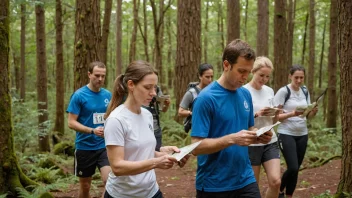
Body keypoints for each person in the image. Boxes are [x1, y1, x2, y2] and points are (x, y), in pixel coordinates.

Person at [190, 39, 273, 198]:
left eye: (248, 72)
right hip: (214, 184)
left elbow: (248, 128)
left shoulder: (245, 94)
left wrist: (257, 135)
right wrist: (232, 139)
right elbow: (196, 147)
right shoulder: (206, 98)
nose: (245, 77)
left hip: (245, 178)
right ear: (226, 65)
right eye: (241, 71)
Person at [103, 60, 189, 198]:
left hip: (151, 191)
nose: (153, 93)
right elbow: (117, 167)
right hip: (123, 194)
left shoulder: (147, 115)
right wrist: (156, 162)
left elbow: (141, 152)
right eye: (148, 87)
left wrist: (169, 155)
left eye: (155, 87)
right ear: (131, 85)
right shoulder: (116, 120)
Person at [67, 61, 111, 198]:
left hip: (104, 146)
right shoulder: (79, 95)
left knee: (109, 181)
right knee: (85, 186)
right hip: (84, 147)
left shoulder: (108, 95)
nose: (100, 79)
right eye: (97, 75)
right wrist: (92, 131)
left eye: (103, 76)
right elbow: (71, 122)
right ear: (89, 74)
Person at [273, 65, 318, 198]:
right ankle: (279, 189)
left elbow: (307, 116)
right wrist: (292, 113)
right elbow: (276, 117)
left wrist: (312, 112)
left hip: (302, 134)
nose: (299, 80)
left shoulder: (305, 91)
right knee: (292, 167)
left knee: (296, 169)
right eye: (296, 77)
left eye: (301, 77)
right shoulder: (283, 91)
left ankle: (289, 195)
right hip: (286, 133)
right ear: (290, 76)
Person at [243, 56, 281, 198]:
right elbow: (239, 120)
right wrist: (256, 114)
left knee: (276, 182)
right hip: (252, 142)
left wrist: (276, 113)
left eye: (267, 76)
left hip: (270, 140)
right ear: (253, 71)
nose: (264, 79)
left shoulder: (269, 91)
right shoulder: (243, 91)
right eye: (261, 75)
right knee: (253, 186)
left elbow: (274, 120)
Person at [143, 85, 170, 151]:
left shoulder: (158, 89)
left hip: (156, 128)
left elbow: (163, 109)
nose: (153, 93)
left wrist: (166, 104)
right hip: (144, 129)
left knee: (158, 150)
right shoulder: (141, 90)